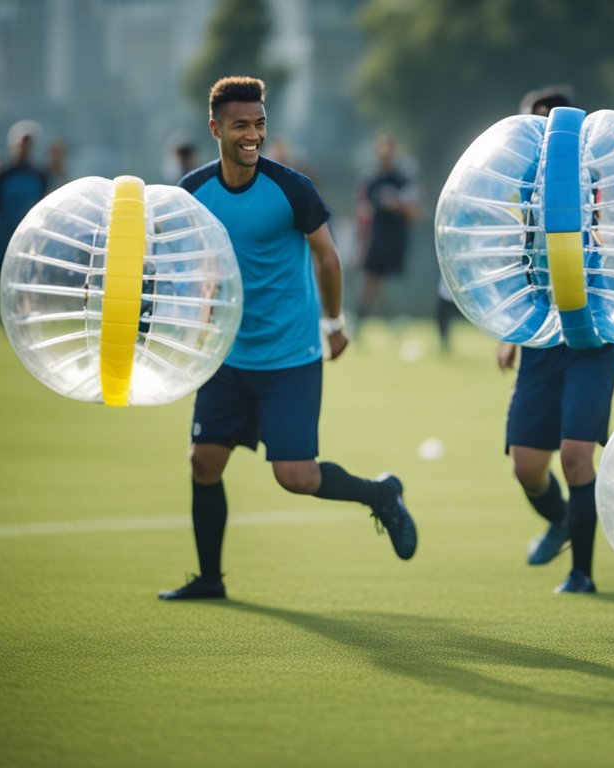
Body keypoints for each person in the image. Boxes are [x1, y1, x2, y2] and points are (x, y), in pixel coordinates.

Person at [159, 76, 417, 601]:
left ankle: (381, 495)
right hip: (227, 356)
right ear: (215, 128)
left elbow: (327, 256)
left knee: (294, 476)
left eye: (259, 124)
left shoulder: (290, 187)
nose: (252, 134)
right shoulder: (192, 192)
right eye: (240, 126)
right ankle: (211, 580)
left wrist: (334, 324)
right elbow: (184, 262)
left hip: (289, 356)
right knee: (203, 462)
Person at [498, 84, 614, 594]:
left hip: (592, 335)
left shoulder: (599, 176)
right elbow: (514, 258)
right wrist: (510, 330)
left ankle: (582, 574)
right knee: (527, 467)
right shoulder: (524, 187)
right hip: (541, 336)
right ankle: (560, 523)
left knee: (575, 457)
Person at [0, 120, 49, 343]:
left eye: (28, 144)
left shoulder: (39, 174)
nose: (24, 148)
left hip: (29, 241)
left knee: (26, 284)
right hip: (2, 238)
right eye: (21, 143)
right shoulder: (3, 174)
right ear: (13, 145)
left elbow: (45, 208)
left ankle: (24, 330)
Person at [354, 134, 420, 334]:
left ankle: (399, 326)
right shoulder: (371, 180)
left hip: (397, 241)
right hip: (376, 240)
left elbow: (415, 214)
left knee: (395, 287)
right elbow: (362, 212)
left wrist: (398, 204)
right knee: (370, 284)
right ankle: (359, 325)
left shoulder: (403, 180)